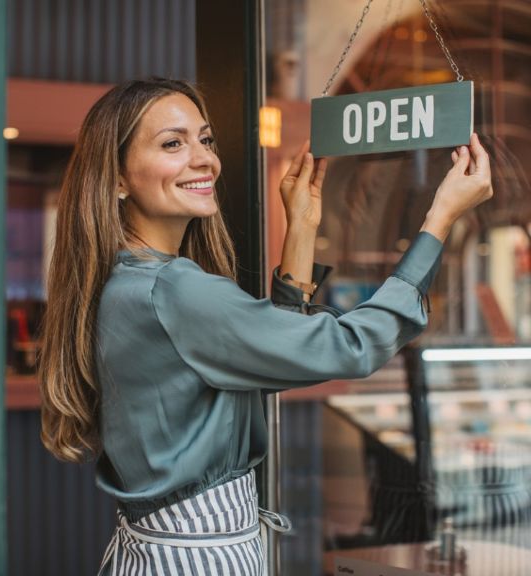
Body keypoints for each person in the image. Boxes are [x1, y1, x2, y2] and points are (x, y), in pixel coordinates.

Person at [38, 77, 493, 576]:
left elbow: (276, 348)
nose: (204, 158)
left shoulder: (126, 280)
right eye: (173, 143)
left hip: (157, 548)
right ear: (118, 179)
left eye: (205, 139)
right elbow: (351, 347)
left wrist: (300, 227)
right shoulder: (175, 290)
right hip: (199, 560)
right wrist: (440, 219)